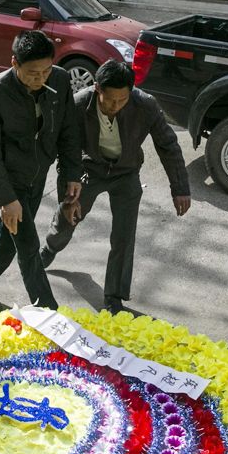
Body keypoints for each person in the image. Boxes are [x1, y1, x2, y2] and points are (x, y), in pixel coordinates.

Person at [40, 60, 191, 313]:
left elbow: (168, 145)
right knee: (69, 218)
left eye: (122, 100)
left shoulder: (146, 105)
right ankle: (50, 247)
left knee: (124, 235)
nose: (115, 106)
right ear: (97, 88)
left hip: (126, 172)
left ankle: (114, 296)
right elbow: (66, 153)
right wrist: (67, 198)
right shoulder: (77, 104)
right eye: (110, 100)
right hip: (88, 169)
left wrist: (180, 188)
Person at [0, 30, 82, 312]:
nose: (40, 78)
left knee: (9, 235)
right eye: (32, 72)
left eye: (45, 70)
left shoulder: (60, 80)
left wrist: (71, 173)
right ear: (14, 63)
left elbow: (68, 130)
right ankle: (48, 310)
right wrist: (6, 198)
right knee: (28, 245)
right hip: (11, 178)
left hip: (39, 172)